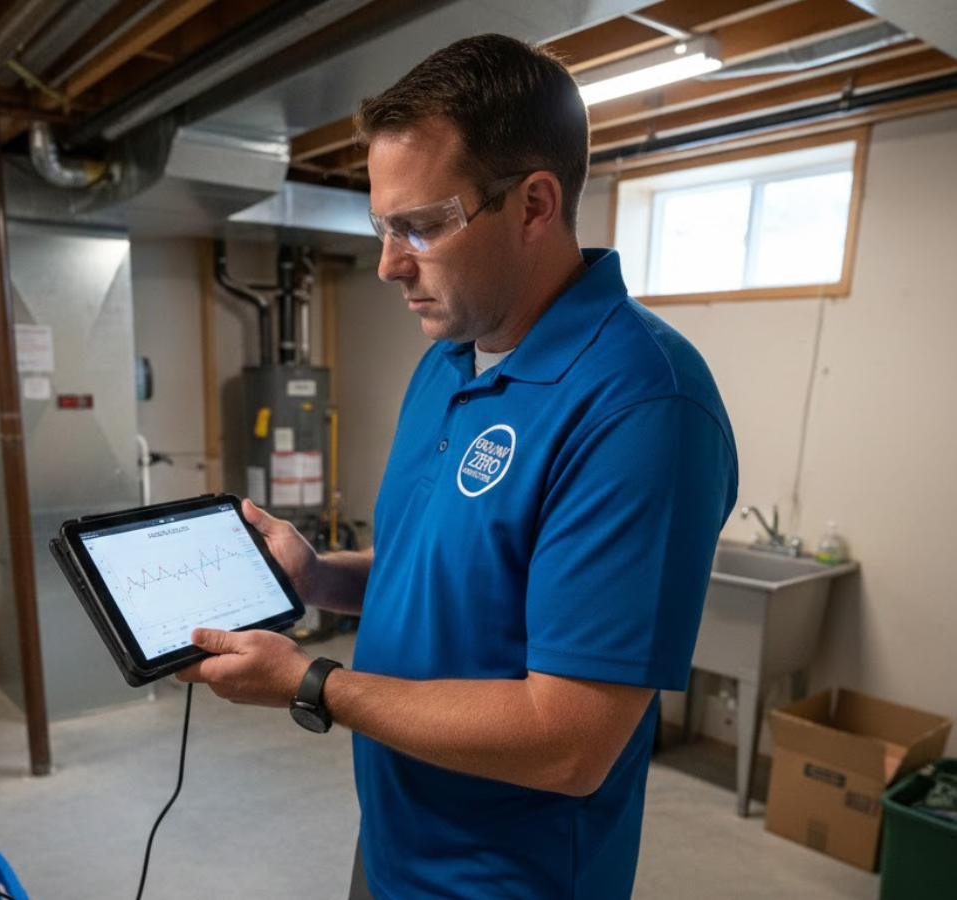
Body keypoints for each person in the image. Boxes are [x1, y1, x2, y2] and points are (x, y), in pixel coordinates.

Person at [177, 33, 738, 900]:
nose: (389, 264)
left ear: (534, 204)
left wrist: (311, 681)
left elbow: (570, 741)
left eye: (422, 225)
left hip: (508, 879)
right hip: (396, 843)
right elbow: (447, 578)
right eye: (382, 226)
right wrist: (320, 577)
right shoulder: (450, 360)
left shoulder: (642, 407)